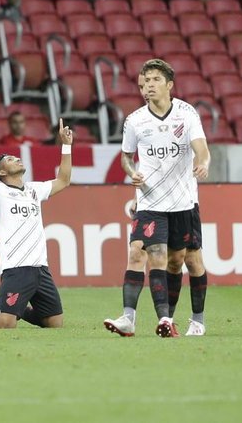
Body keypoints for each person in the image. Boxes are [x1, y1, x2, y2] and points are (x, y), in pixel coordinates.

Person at [102, 59, 210, 338]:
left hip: (183, 202)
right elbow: (126, 158)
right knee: (142, 253)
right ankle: (135, 318)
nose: (148, 85)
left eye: (154, 80)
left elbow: (202, 149)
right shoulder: (135, 121)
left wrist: (203, 162)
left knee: (184, 262)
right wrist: (131, 173)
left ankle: (195, 320)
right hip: (150, 201)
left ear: (169, 85)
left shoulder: (187, 114)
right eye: (145, 81)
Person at [0, 117, 73, 329]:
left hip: (41, 268)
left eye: (16, 157)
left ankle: (6, 305)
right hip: (16, 268)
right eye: (10, 159)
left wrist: (67, 146)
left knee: (55, 324)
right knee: (6, 325)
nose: (16, 159)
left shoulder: (34, 189)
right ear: (2, 172)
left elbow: (63, 180)